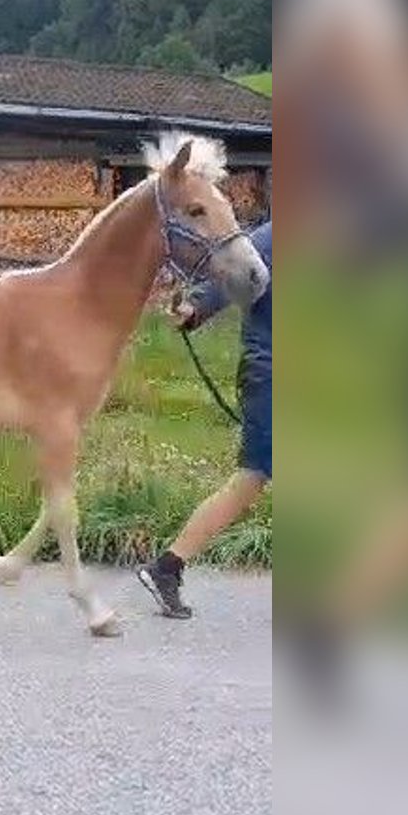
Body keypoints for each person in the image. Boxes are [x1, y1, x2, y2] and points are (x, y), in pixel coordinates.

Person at [137, 218, 272, 619]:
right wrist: (194, 307)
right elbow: (228, 276)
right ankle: (166, 567)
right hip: (272, 373)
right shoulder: (273, 238)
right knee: (251, 477)